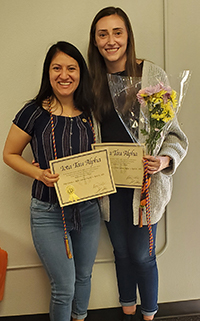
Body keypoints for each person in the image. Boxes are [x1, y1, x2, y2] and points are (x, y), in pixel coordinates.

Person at [88, 7, 188, 321]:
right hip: (108, 186)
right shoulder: (91, 82)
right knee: (120, 252)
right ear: (95, 41)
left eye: (117, 32)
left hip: (145, 186)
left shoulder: (151, 75)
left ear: (128, 35)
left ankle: (149, 314)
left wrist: (164, 160)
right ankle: (127, 307)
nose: (110, 40)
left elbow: (174, 133)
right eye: (102, 34)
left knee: (143, 257)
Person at [3, 41, 101, 321]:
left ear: (80, 73)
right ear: (48, 72)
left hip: (88, 211)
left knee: (84, 277)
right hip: (48, 212)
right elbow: (9, 154)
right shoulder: (33, 112)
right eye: (56, 68)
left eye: (71, 68)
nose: (64, 75)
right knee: (64, 287)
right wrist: (38, 173)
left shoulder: (90, 112)